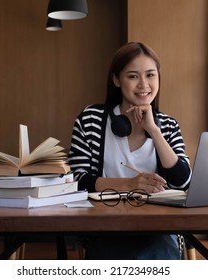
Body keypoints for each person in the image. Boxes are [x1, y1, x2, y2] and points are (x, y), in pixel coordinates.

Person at [68, 42, 192, 259]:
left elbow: (182, 181)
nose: (144, 84)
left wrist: (154, 131)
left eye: (150, 75)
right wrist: (129, 185)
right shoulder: (91, 119)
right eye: (133, 76)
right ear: (116, 80)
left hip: (158, 227)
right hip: (104, 225)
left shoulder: (168, 125)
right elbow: (77, 180)